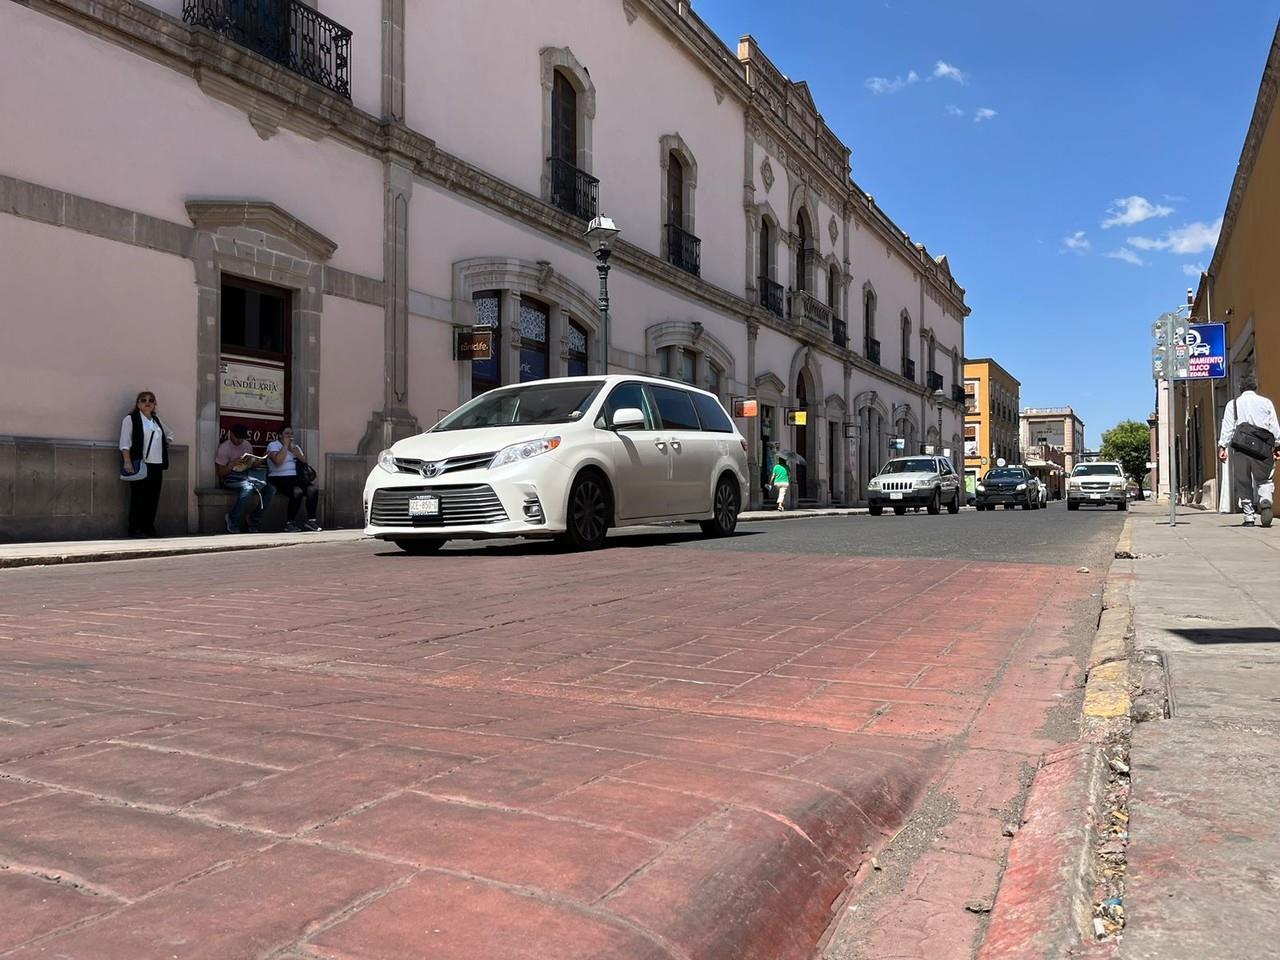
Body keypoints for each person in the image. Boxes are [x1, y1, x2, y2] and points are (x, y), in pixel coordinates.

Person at [1218, 372, 1280, 527]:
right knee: (1264, 479)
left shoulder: (1233, 404)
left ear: (1240, 388)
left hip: (1241, 449)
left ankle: (1249, 517)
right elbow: (1274, 426)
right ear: (1255, 387)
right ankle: (1265, 499)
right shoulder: (1266, 403)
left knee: (1243, 481)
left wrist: (1222, 446)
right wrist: (1277, 445)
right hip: (1263, 449)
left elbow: (1227, 428)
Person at [119, 390, 172, 538]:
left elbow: (169, 434)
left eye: (151, 400)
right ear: (138, 404)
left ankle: (149, 527)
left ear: (155, 404)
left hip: (156, 464)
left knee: (153, 498)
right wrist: (127, 461)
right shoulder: (131, 419)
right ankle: (134, 528)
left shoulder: (156, 420)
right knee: (138, 498)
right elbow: (124, 442)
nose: (147, 402)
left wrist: (165, 443)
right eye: (143, 400)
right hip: (140, 463)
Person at [216, 424, 274, 533]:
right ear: (231, 434)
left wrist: (259, 461)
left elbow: (251, 464)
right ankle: (232, 519)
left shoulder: (246, 445)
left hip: (247, 475)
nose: (239, 441)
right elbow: (220, 473)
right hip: (230, 478)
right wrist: (232, 464)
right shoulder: (224, 448)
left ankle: (253, 519)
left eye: (242, 438)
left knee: (271, 489)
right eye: (237, 438)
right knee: (248, 488)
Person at [266, 427, 321, 532]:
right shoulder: (273, 445)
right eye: (286, 433)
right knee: (297, 492)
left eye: (291, 434)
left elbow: (304, 461)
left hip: (295, 477)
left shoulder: (295, 447)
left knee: (312, 490)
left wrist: (293, 450)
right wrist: (285, 446)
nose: (289, 436)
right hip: (279, 477)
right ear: (280, 435)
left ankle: (311, 521)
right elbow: (278, 461)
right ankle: (290, 523)